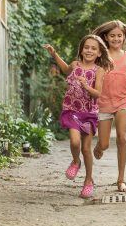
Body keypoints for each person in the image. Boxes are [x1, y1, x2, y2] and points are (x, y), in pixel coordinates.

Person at [44, 35, 112, 198]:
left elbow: (97, 94)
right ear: (81, 49)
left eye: (93, 48)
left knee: (86, 148)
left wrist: (86, 86)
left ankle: (88, 180)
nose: (89, 50)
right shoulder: (75, 65)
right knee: (75, 142)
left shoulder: (99, 70)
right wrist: (55, 54)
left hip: (88, 113)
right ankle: (76, 161)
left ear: (99, 53)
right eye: (86, 47)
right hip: (72, 110)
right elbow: (65, 69)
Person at [91, 20, 126, 193]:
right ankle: (100, 146)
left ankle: (121, 180)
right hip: (103, 103)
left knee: (123, 138)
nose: (116, 39)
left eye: (119, 36)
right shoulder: (100, 57)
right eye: (112, 36)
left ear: (123, 37)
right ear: (106, 37)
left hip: (123, 100)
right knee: (105, 144)